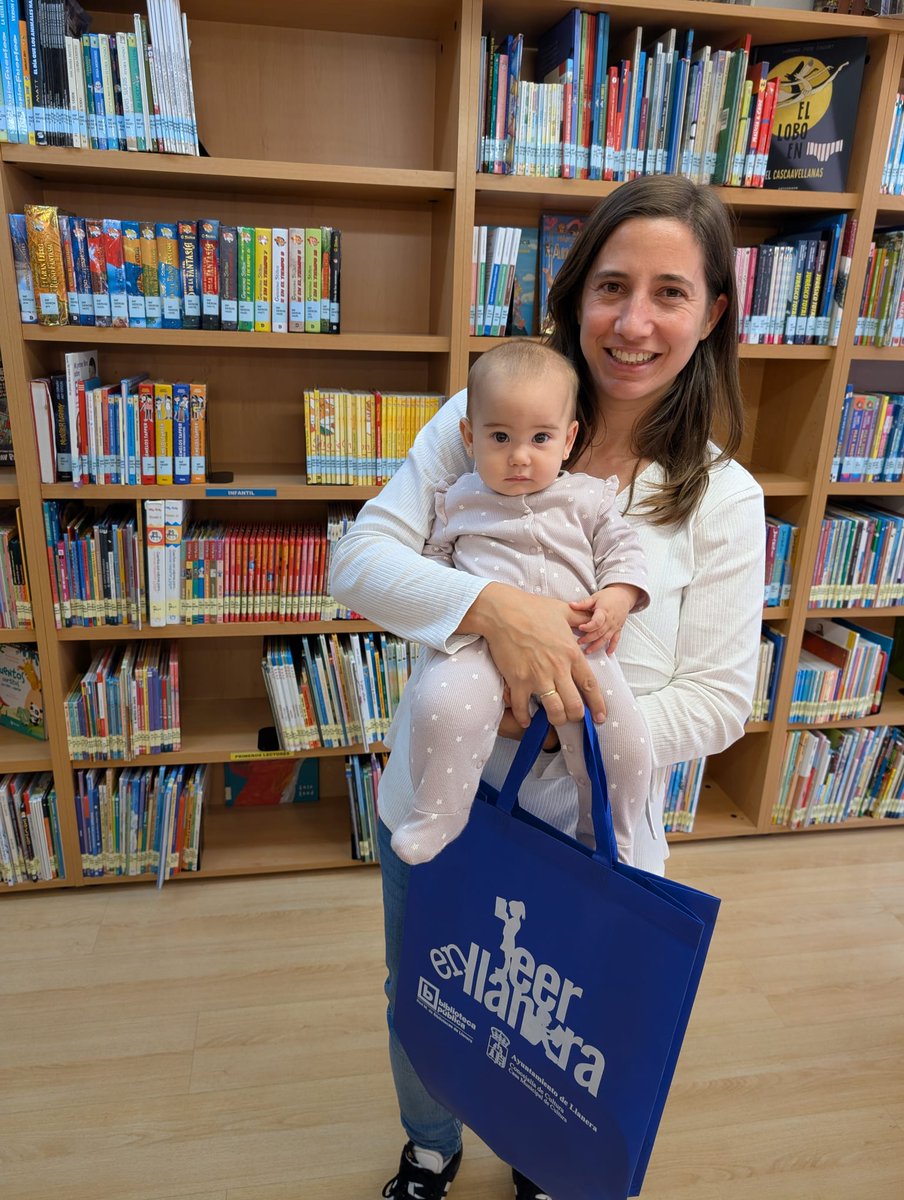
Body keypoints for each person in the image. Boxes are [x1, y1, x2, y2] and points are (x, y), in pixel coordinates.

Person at [330, 175, 766, 1200]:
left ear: (710, 316)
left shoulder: (721, 496)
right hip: (443, 802)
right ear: (575, 297)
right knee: (428, 991)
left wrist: (565, 708)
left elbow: (718, 700)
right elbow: (360, 563)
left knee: (554, 1022)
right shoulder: (485, 415)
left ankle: (538, 1156)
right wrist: (499, 613)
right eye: (611, 286)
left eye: (669, 292)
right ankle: (429, 1146)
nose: (632, 320)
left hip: (588, 836)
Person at [392, 339, 651, 866]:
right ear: (469, 436)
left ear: (568, 437)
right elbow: (430, 565)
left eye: (540, 438)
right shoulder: (456, 497)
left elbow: (623, 548)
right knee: (439, 707)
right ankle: (437, 813)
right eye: (500, 437)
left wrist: (621, 595)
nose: (519, 455)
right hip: (477, 646)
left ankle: (610, 838)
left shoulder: (588, 497)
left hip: (581, 643)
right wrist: (461, 607)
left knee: (626, 740)